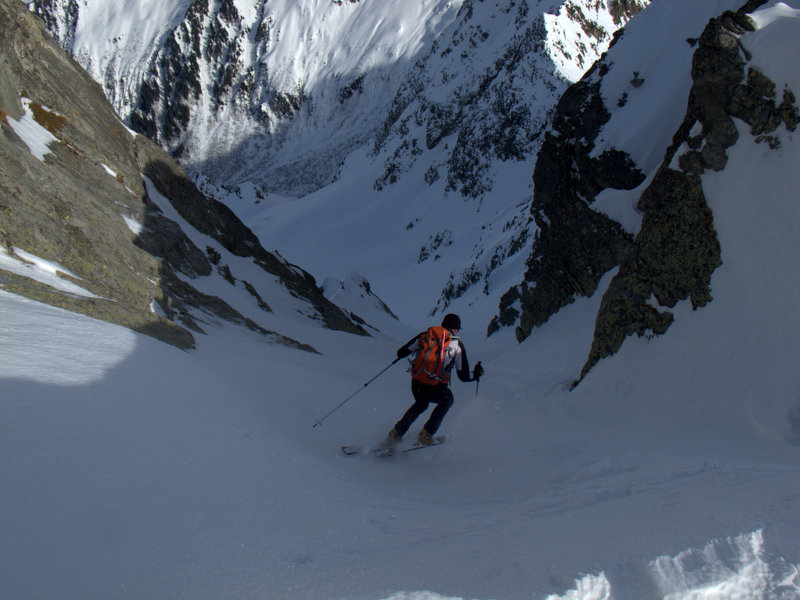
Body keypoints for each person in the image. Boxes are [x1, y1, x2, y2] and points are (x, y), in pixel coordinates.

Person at [385, 313, 483, 446]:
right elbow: (463, 377)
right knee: (447, 400)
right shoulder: (457, 345)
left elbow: (401, 352)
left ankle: (396, 433)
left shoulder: (424, 335)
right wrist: (476, 374)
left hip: (417, 383)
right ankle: (426, 435)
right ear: (454, 329)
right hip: (435, 386)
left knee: (421, 404)